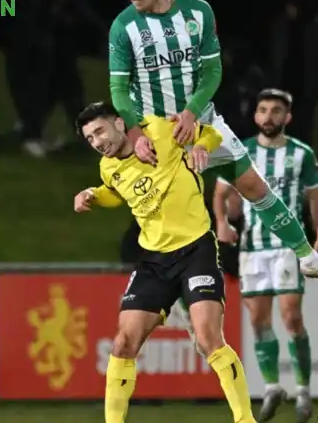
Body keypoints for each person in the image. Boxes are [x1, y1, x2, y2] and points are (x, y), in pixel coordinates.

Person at [107, 0, 318, 333]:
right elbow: (119, 91)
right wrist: (137, 133)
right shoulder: (124, 26)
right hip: (158, 133)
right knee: (167, 214)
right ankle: (173, 300)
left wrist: (191, 112)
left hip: (202, 121)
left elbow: (212, 71)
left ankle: (307, 257)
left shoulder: (198, 13)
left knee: (255, 187)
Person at [73, 102, 256, 423]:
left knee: (208, 339)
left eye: (100, 131)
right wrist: (93, 194)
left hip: (196, 250)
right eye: (90, 138)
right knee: (123, 343)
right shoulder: (107, 167)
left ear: (119, 123)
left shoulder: (159, 129)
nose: (97, 142)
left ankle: (245, 420)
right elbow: (116, 193)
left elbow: (212, 133)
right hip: (154, 260)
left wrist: (200, 146)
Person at [214, 89, 318, 422]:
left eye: (276, 111)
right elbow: (221, 192)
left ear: (287, 117)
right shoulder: (241, 151)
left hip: (289, 247)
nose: (268, 116)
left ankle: (303, 390)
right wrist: (222, 222)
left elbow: (316, 197)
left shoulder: (301, 154)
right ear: (255, 116)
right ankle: (272, 387)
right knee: (258, 321)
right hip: (253, 248)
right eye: (263, 110)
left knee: (291, 316)